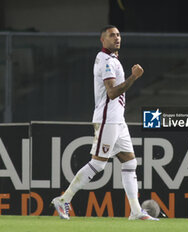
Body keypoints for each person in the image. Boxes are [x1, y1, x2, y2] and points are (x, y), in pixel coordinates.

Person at [51, 25, 159, 221]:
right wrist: (133, 77)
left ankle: (135, 211)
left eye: (118, 35)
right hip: (107, 119)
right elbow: (111, 93)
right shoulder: (106, 61)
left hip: (118, 120)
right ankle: (63, 199)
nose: (116, 38)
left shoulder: (112, 60)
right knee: (98, 165)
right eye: (111, 35)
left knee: (130, 162)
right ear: (103, 40)